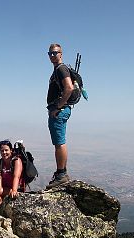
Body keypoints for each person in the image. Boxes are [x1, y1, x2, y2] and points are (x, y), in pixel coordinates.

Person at [45, 43, 75, 189]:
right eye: (50, 53)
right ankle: (61, 173)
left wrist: (58, 107)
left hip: (59, 111)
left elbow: (69, 88)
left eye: (55, 53)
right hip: (60, 110)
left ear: (61, 54)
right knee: (59, 142)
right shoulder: (58, 70)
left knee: (59, 143)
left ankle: (61, 174)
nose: (52, 55)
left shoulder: (61, 69)